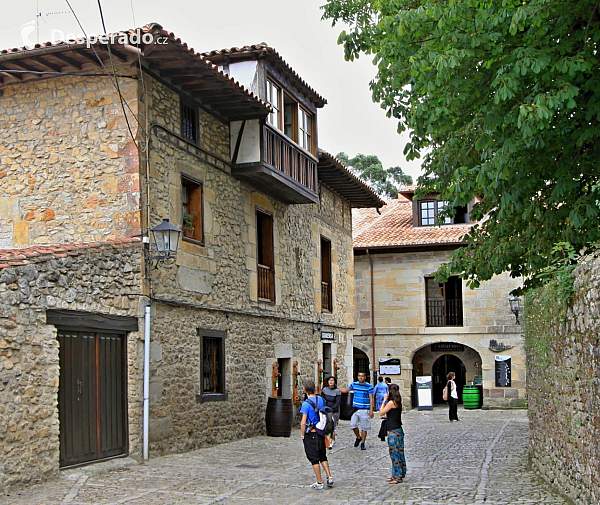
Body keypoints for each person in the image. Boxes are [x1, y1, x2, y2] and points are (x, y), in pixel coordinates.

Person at [300, 379, 334, 489]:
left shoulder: (306, 404)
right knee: (322, 455)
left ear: (304, 390)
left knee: (314, 458)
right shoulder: (320, 399)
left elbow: (303, 421)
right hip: (321, 431)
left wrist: (302, 434)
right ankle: (329, 476)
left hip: (311, 433)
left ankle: (319, 482)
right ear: (314, 389)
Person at [339, 371, 374, 450]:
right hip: (355, 408)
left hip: (365, 409)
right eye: (359, 376)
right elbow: (345, 390)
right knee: (353, 425)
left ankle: (363, 443)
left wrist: (371, 410)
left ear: (365, 377)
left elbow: (371, 398)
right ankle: (358, 437)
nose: (360, 377)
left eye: (362, 376)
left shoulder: (369, 386)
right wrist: (336, 388)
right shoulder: (354, 385)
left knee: (364, 427)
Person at [379, 384, 407, 483]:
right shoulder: (398, 402)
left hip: (393, 432)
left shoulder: (391, 403)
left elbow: (381, 412)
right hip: (399, 430)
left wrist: (383, 401)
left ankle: (397, 476)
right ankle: (398, 473)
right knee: (400, 452)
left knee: (394, 454)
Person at [321, 376, 341, 448]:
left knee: (333, 426)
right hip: (326, 410)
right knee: (326, 426)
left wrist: (332, 409)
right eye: (329, 380)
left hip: (334, 411)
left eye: (332, 380)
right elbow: (322, 399)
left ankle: (331, 441)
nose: (331, 382)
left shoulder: (337, 392)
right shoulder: (324, 390)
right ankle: (329, 439)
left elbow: (337, 402)